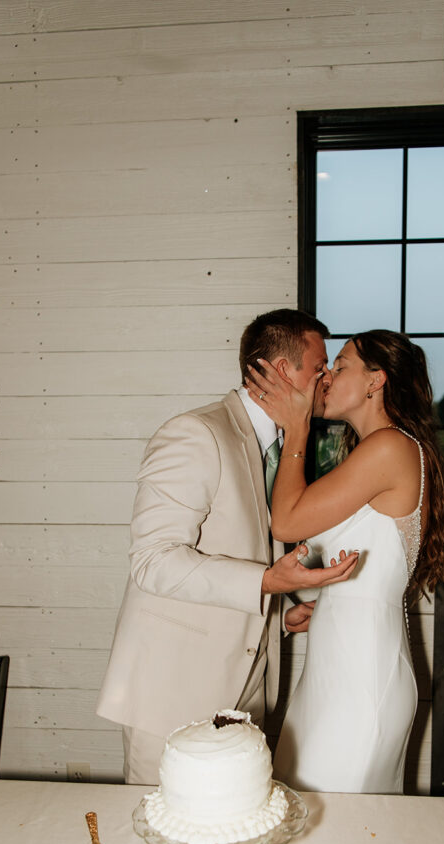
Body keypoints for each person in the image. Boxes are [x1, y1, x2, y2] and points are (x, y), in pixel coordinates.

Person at [97, 309, 359, 784]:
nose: (327, 378)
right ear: (283, 371)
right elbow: (153, 562)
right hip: (171, 696)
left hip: (244, 695)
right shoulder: (197, 434)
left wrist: (280, 613)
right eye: (320, 366)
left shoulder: (280, 448)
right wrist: (265, 581)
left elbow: (238, 550)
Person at [246, 329, 444, 793]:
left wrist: (297, 427)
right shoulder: (369, 451)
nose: (327, 377)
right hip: (335, 664)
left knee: (337, 824)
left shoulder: (390, 447)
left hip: (360, 674)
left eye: (339, 367)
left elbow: (287, 522)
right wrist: (323, 600)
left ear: (375, 381)